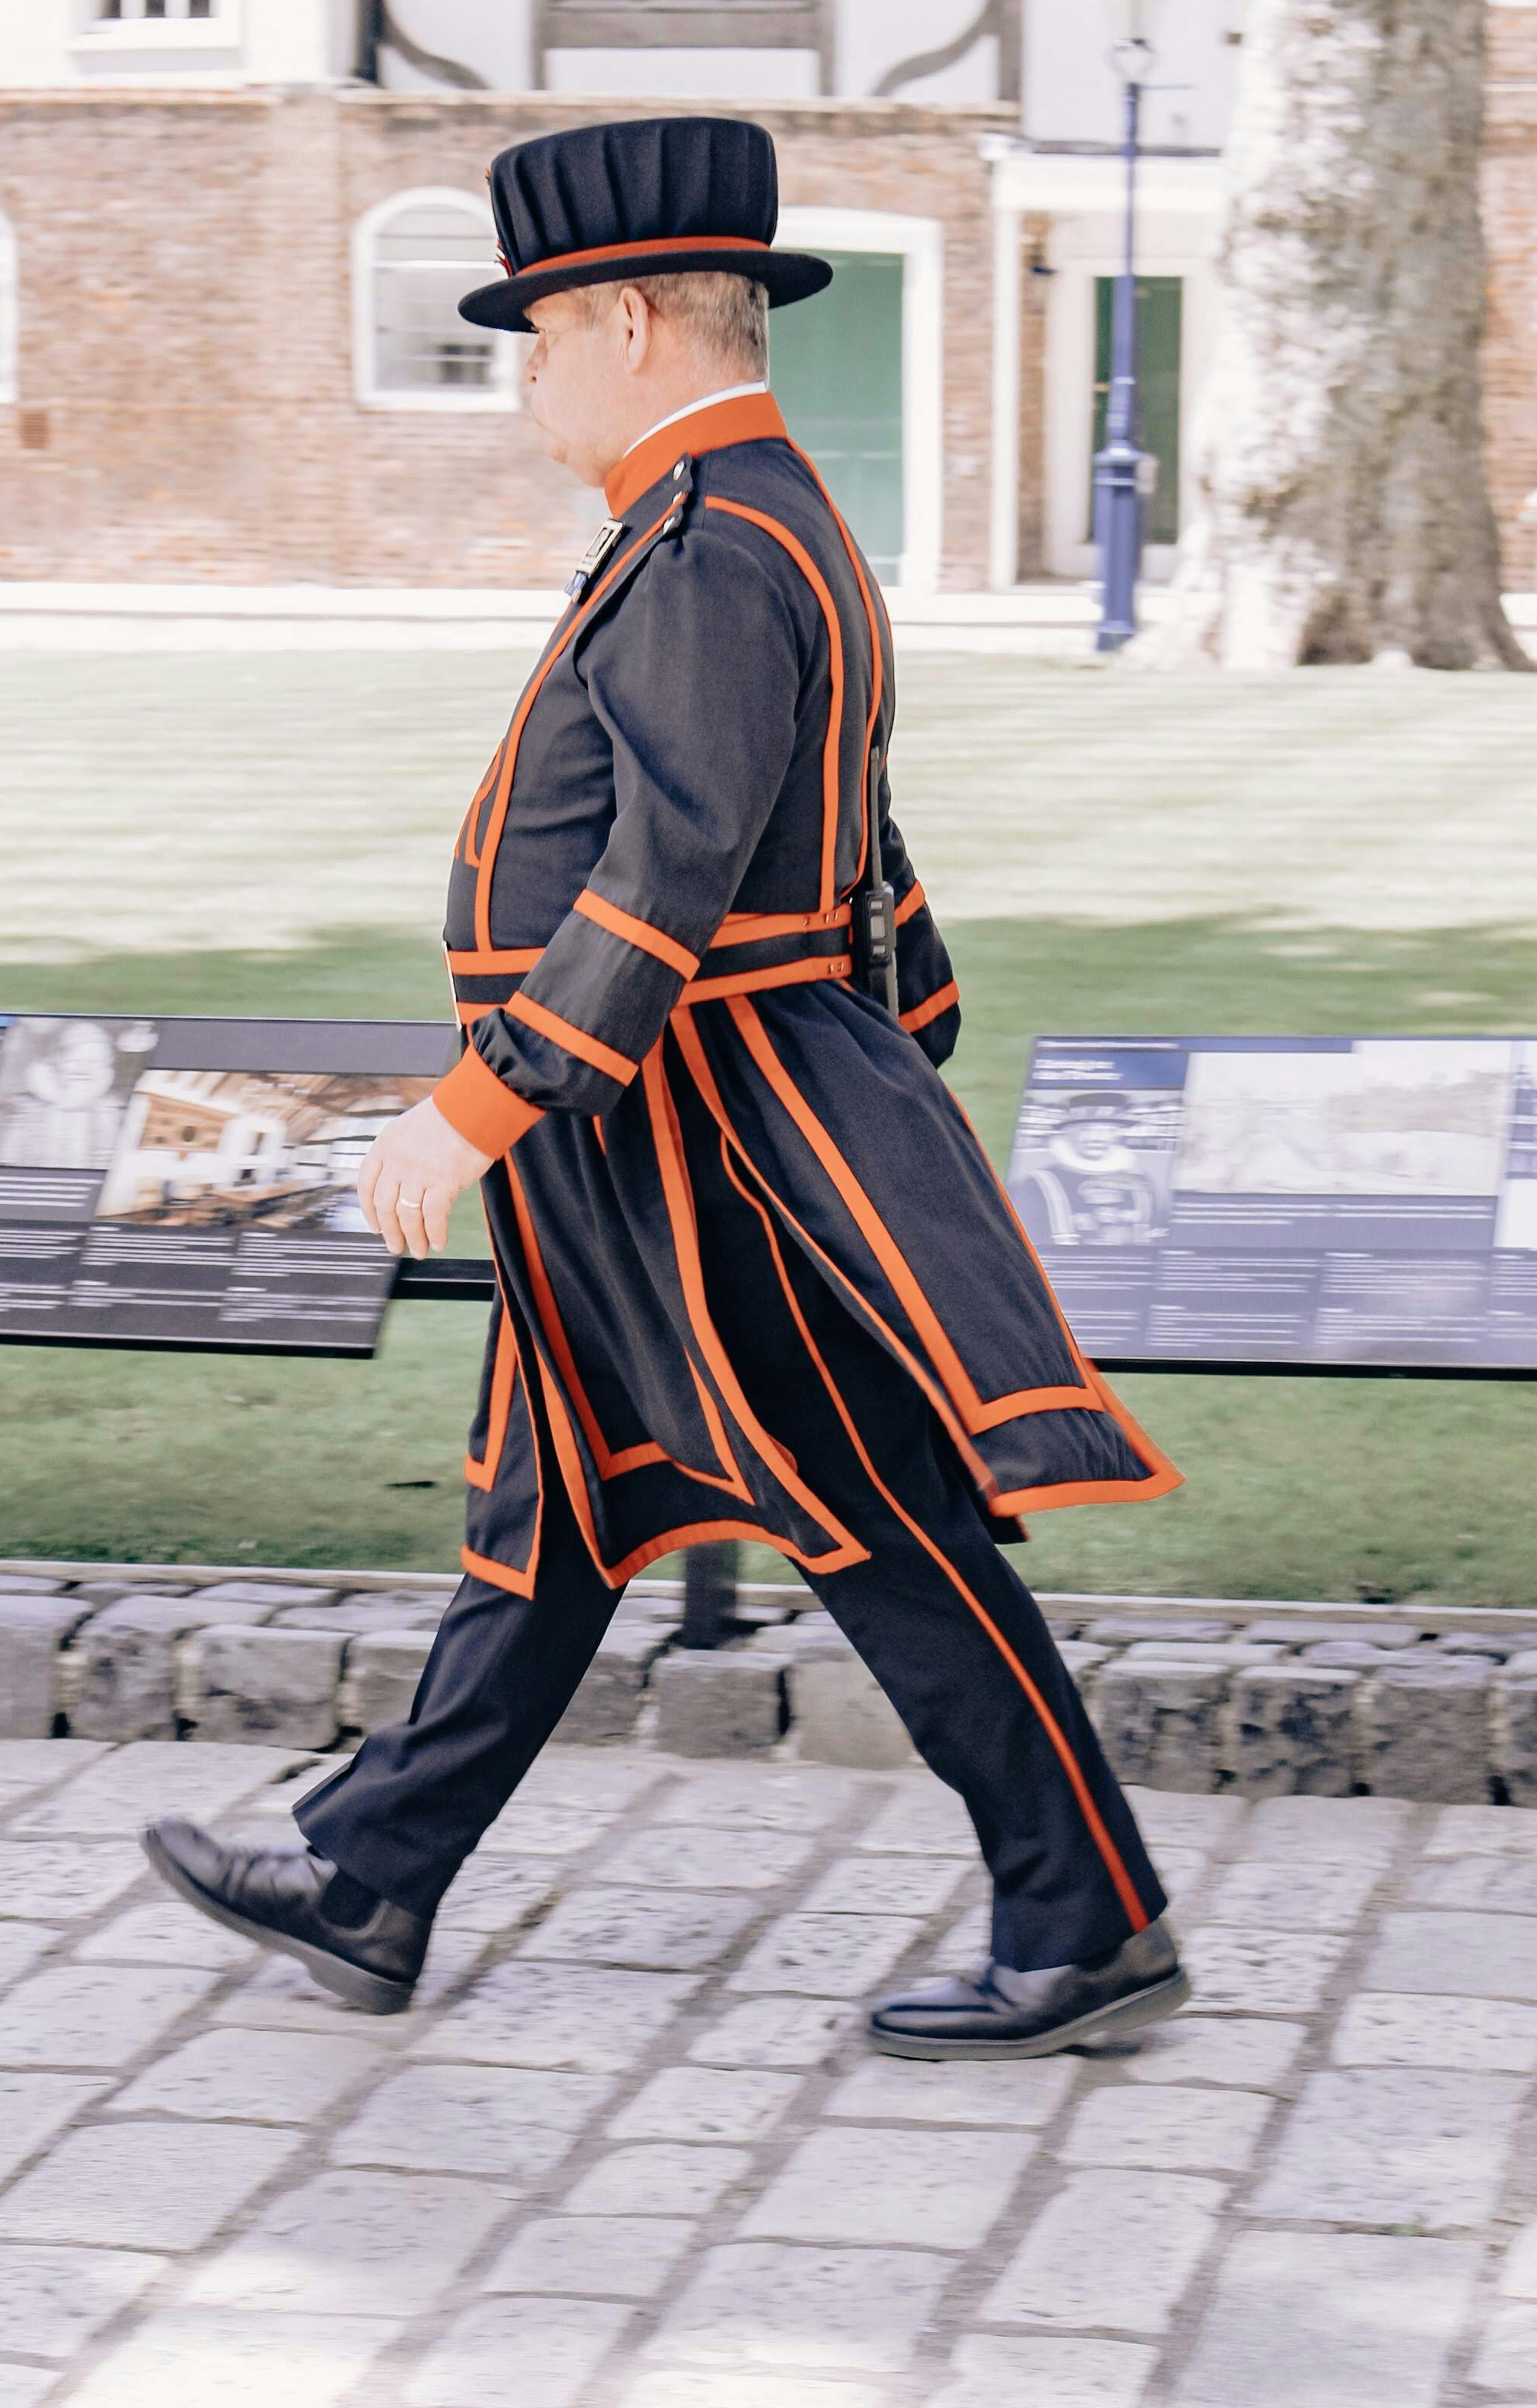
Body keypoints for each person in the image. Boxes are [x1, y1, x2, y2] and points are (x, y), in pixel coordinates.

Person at [144, 116, 1188, 2061]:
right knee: (548, 1508)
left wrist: (484, 1099)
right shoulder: (722, 518)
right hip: (652, 1131)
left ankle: (1087, 1910)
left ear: (628, 316)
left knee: (872, 1512)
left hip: (692, 1126)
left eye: (536, 332)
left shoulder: (716, 539)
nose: (525, 370)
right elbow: (848, 836)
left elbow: (675, 864)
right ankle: (372, 1870)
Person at [1013, 1091, 1164, 1248]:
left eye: (1107, 1130)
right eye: (1085, 1129)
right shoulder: (1035, 1184)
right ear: (1068, 1133)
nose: (1096, 1138)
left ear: (1119, 1134)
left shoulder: (1143, 1183)